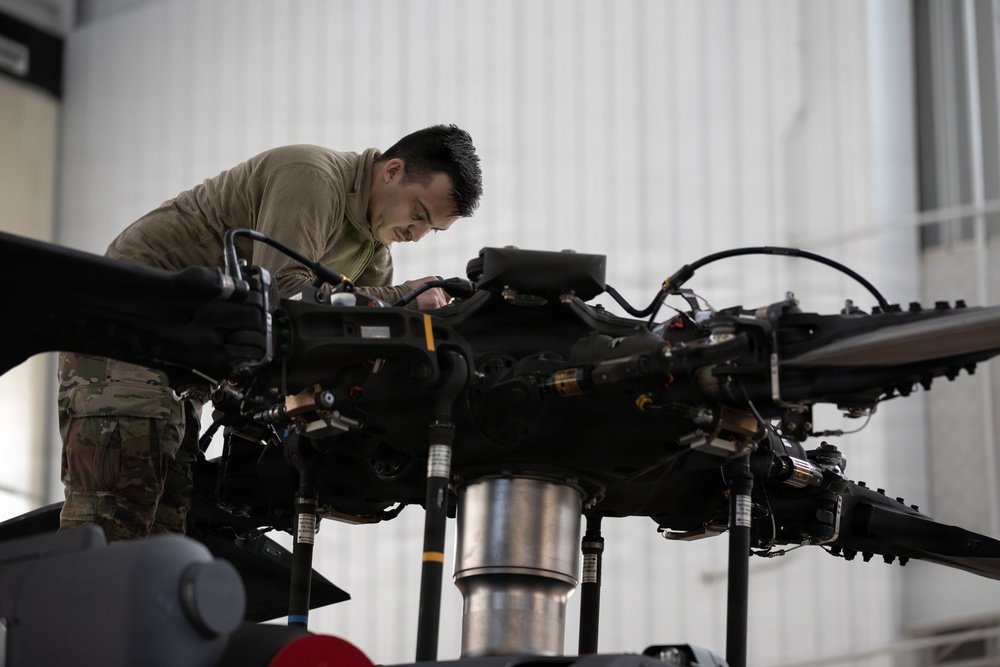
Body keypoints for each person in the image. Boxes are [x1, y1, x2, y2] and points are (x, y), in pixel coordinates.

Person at [57, 124, 484, 542]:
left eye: (433, 230)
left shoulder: (373, 254)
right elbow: (283, 292)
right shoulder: (312, 176)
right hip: (128, 325)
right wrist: (401, 298)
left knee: (167, 526)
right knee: (116, 508)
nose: (417, 236)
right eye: (418, 214)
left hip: (188, 367)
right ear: (392, 171)